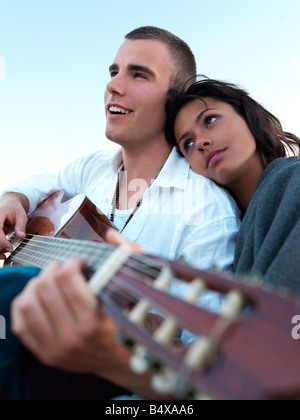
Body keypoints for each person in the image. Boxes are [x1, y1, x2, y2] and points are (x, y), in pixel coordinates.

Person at [0, 29, 240, 400]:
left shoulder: (206, 213)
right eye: (114, 71)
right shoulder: (95, 166)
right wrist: (12, 201)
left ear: (174, 102)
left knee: (13, 290)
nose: (113, 85)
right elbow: (38, 183)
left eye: (138, 74)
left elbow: (206, 362)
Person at [165, 76, 300, 294]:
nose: (200, 142)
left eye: (210, 120)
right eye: (187, 143)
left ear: (247, 116)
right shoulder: (227, 231)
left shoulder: (294, 177)